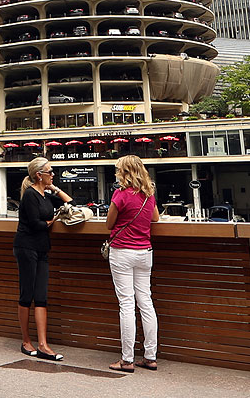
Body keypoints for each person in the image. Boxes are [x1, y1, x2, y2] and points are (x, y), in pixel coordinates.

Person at [13, 155, 72, 361]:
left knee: (41, 295)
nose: (53, 174)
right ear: (39, 175)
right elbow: (36, 224)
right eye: (50, 172)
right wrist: (54, 218)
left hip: (41, 248)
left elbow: (69, 201)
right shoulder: (30, 195)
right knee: (26, 294)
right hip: (26, 247)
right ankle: (26, 341)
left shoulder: (46, 195)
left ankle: (43, 345)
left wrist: (54, 189)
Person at [104, 155, 160, 372]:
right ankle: (150, 356)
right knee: (146, 302)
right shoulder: (148, 195)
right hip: (145, 252)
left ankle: (127, 359)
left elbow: (109, 223)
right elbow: (154, 218)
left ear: (124, 172)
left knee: (126, 304)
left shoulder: (120, 194)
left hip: (123, 252)